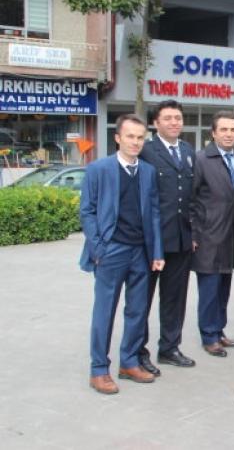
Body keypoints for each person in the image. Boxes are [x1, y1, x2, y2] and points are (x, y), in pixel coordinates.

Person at [79, 114, 165, 394]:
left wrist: (156, 251)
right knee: (105, 311)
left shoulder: (148, 172)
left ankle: (129, 362)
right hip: (111, 251)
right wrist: (99, 249)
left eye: (140, 137)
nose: (136, 142)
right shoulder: (99, 169)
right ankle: (98, 369)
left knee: (138, 311)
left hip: (140, 252)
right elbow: (87, 211)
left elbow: (153, 213)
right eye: (130, 136)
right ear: (118, 138)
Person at [137, 100, 197, 376]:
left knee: (175, 297)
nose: (174, 123)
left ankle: (170, 347)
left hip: (182, 238)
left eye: (178, 118)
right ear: (156, 123)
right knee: (142, 299)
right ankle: (138, 352)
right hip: (152, 241)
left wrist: (193, 232)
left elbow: (191, 195)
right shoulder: (147, 151)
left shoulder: (187, 150)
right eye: (168, 118)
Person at [190, 111, 234, 357]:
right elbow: (190, 200)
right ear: (213, 133)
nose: (228, 134)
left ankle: (219, 331)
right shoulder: (201, 160)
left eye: (233, 130)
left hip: (231, 235)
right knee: (209, 290)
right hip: (208, 236)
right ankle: (208, 335)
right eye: (223, 130)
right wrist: (193, 233)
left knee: (224, 287)